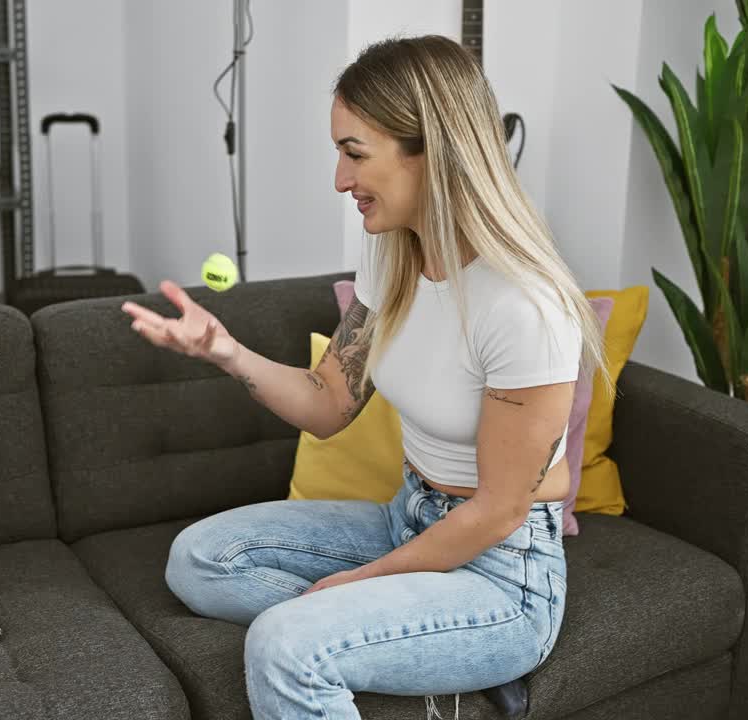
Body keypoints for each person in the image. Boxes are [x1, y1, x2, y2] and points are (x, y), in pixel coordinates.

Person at [121, 34, 610, 720]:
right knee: (200, 559)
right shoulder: (392, 252)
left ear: (432, 152)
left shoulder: (523, 304)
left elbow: (497, 512)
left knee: (287, 645)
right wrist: (224, 350)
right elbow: (328, 405)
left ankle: (436, 637)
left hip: (502, 571)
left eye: (355, 154)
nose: (340, 180)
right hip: (407, 516)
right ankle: (417, 650)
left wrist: (356, 586)